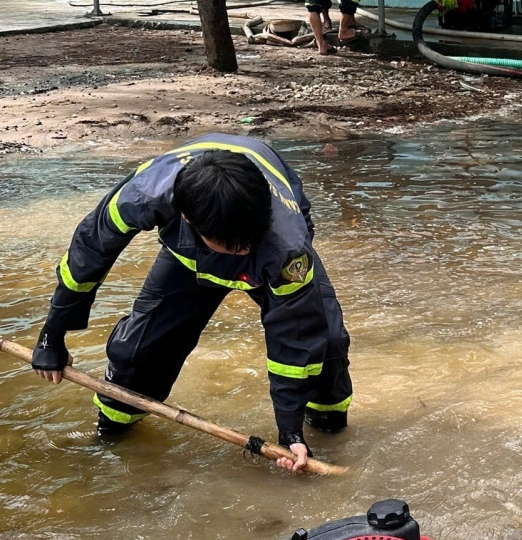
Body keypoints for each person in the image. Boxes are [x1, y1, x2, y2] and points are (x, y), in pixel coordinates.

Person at [32, 134, 352, 472]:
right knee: (139, 352)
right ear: (186, 217)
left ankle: (330, 432)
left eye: (248, 243)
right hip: (188, 258)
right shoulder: (144, 194)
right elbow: (86, 257)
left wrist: (289, 432)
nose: (243, 252)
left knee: (326, 344)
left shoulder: (287, 245)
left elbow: (297, 333)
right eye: (232, 246)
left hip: (269, 251)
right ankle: (110, 441)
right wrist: (52, 335)